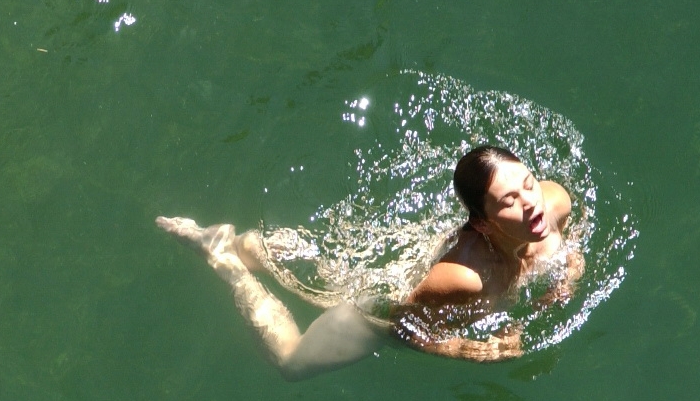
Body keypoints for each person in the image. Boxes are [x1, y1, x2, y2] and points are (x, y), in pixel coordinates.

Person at [158, 144, 584, 380]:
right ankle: (223, 257)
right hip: (376, 310)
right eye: (509, 201)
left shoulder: (555, 204)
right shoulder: (464, 280)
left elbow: (573, 240)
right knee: (291, 361)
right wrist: (465, 349)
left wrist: (567, 276)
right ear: (484, 225)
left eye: (528, 184)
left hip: (416, 281)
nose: (532, 206)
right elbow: (398, 323)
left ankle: (255, 249)